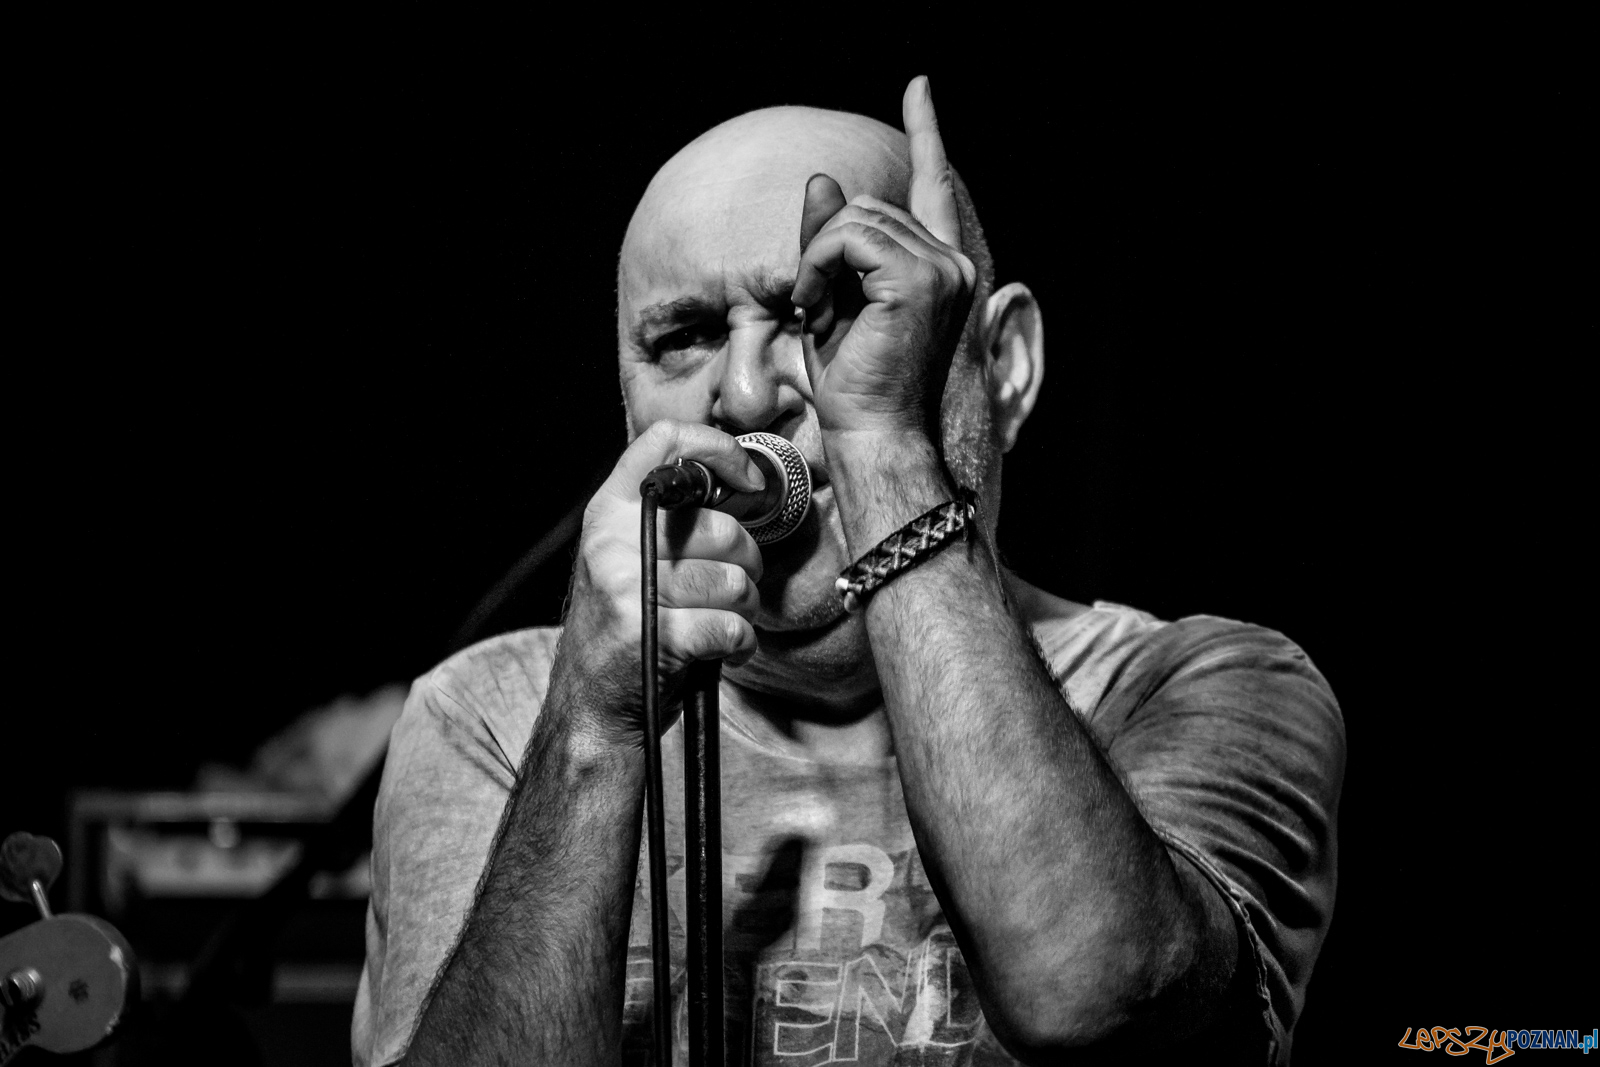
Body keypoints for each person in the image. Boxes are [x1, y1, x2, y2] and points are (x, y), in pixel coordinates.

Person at [352, 77, 1345, 1066]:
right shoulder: (492, 712)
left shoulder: (1203, 682)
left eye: (817, 311)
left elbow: (1092, 997)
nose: (745, 394)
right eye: (685, 337)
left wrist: (879, 435)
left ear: (1002, 364)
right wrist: (593, 731)